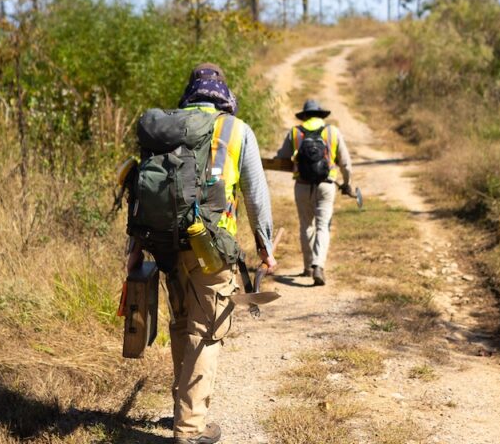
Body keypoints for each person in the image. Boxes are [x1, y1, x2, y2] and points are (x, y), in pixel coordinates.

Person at [127, 63, 276, 444]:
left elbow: (140, 192)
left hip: (165, 242)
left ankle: (184, 410)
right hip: (212, 248)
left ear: (190, 92)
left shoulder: (167, 128)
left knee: (182, 324)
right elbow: (256, 196)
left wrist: (135, 248)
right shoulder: (237, 130)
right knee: (207, 331)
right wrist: (265, 246)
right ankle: (190, 429)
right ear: (223, 94)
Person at [274, 98, 352, 287]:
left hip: (302, 184)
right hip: (327, 185)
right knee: (323, 226)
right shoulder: (332, 132)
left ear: (305, 115)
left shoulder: (295, 132)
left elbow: (282, 157)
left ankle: (308, 266)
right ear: (320, 114)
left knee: (306, 225)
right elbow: (346, 163)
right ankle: (318, 265)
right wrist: (347, 183)